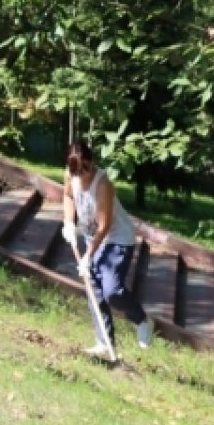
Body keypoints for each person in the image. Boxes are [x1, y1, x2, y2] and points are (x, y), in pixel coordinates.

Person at [62, 140, 155, 356]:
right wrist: (68, 222)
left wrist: (87, 256)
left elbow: (104, 226)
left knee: (112, 290)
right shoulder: (71, 175)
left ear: (92, 162)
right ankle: (104, 343)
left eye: (85, 169)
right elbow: (67, 196)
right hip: (91, 236)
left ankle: (142, 321)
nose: (80, 175)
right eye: (76, 171)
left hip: (117, 238)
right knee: (93, 288)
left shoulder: (102, 184)